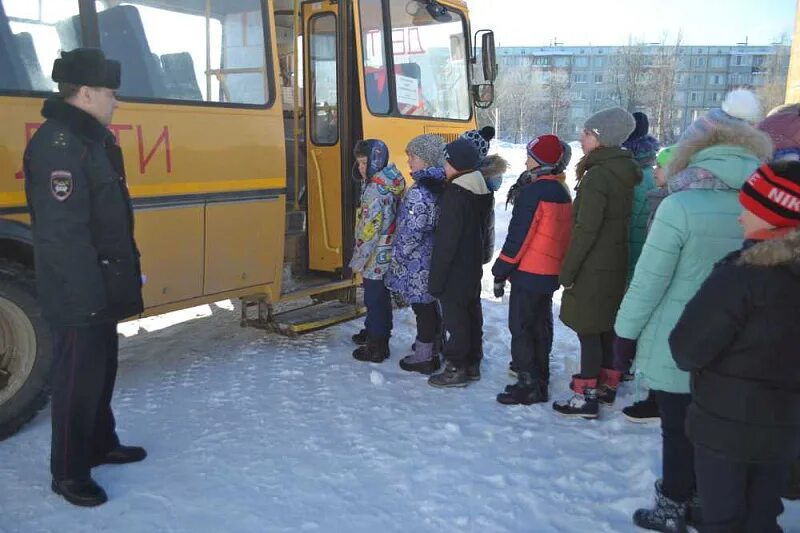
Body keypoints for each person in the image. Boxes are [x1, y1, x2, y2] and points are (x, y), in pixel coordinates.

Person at [613, 88, 773, 532]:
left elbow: (648, 283)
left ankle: (673, 505)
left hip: (678, 342)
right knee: (721, 435)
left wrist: (623, 337)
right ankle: (710, 502)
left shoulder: (680, 205)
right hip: (742, 349)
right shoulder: (767, 204)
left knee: (678, 429)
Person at [23, 48, 146, 507]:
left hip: (100, 283)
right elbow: (63, 236)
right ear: (88, 92)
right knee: (77, 378)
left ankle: (99, 443)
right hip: (80, 289)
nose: (116, 103)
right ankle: (69, 471)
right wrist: (89, 295)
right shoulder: (59, 145)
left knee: (101, 371)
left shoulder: (91, 140)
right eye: (111, 95)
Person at [669, 161, 800, 532]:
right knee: (762, 515)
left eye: (750, 209)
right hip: (785, 426)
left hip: (726, 430)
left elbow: (686, 349)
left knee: (722, 519)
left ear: (774, 217)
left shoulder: (741, 277)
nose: (741, 217)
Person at [552, 107, 641, 419]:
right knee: (604, 327)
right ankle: (606, 385)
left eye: (587, 133)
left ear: (602, 139)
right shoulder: (622, 170)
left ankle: (585, 396)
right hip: (613, 262)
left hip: (593, 265)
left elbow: (586, 229)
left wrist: (569, 270)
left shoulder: (598, 176)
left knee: (588, 329)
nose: (581, 137)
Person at [492, 135, 572, 405]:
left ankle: (527, 383)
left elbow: (519, 237)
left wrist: (500, 269)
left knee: (522, 326)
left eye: (529, 156)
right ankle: (540, 378)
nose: (525, 161)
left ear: (539, 161)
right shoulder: (561, 190)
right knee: (541, 325)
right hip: (549, 272)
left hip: (529, 272)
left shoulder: (534, 192)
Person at [427, 138, 492, 388]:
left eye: (446, 162)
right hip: (471, 265)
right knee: (471, 314)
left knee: (455, 319)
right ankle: (472, 362)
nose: (444, 166)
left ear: (456, 165)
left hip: (454, 269)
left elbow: (446, 242)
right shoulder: (478, 189)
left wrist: (436, 281)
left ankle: (456, 367)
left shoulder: (456, 196)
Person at [621, 144, 675, 425]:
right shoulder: (659, 196)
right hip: (646, 266)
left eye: (661, 166)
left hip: (654, 274)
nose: (655, 170)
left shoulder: (670, 203)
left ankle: (658, 396)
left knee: (657, 332)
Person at [385, 134, 447, 374]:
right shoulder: (440, 184)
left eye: (413, 156)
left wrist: (398, 255)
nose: (409, 161)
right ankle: (435, 344)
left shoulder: (421, 191)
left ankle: (424, 356)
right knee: (431, 305)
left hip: (418, 260)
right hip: (432, 256)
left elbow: (411, 230)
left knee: (422, 308)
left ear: (427, 159)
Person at [349, 139, 406, 363]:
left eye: (364, 162)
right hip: (388, 248)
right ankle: (375, 331)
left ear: (375, 161)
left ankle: (376, 345)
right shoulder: (389, 181)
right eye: (359, 163)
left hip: (375, 253)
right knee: (380, 297)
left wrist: (359, 257)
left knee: (374, 298)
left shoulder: (375, 190)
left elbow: (368, 230)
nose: (361, 168)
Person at [622, 112, 660, 279]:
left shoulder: (630, 175)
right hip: (644, 255)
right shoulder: (653, 173)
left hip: (627, 260)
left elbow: (627, 227)